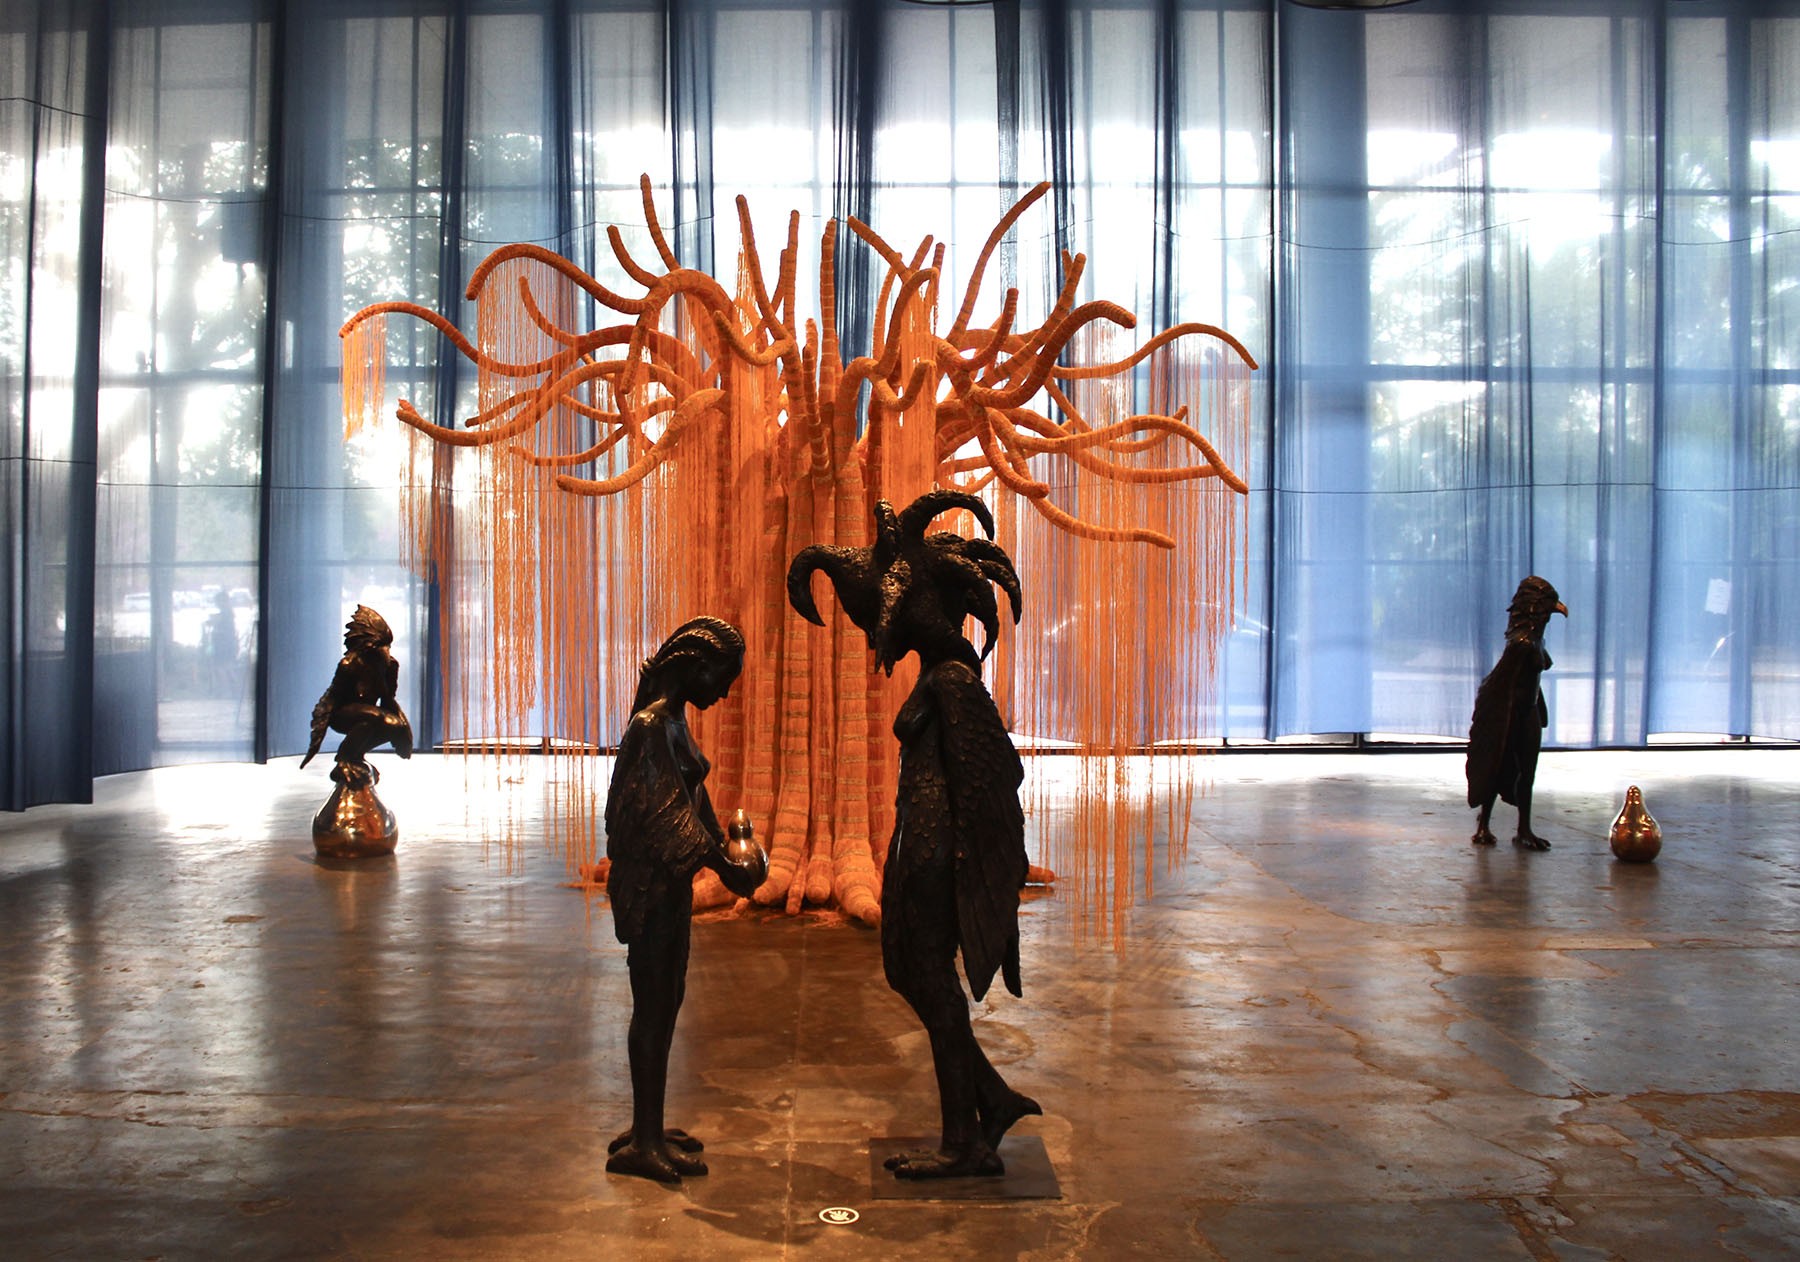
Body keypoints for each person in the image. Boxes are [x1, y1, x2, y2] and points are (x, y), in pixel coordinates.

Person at [603, 616, 768, 1184]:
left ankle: (649, 1125)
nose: (724, 692)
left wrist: (723, 845)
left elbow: (693, 799)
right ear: (696, 667)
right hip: (650, 887)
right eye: (722, 678)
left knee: (666, 999)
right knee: (653, 1003)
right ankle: (643, 1141)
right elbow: (666, 814)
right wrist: (723, 864)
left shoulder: (671, 721)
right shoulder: (651, 726)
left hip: (669, 887)